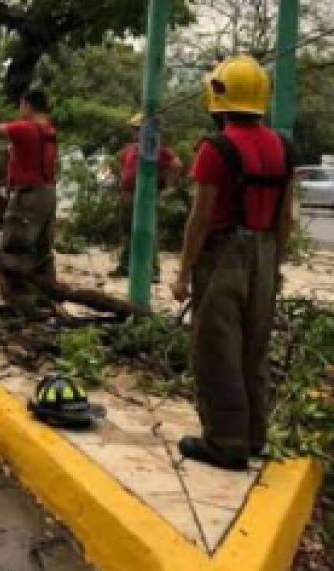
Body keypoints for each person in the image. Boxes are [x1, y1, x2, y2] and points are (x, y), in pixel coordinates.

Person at [171, 56, 296, 471]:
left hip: (223, 255)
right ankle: (255, 435)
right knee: (254, 344)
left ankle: (225, 442)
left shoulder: (216, 148)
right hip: (264, 252)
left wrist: (184, 272)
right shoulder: (283, 147)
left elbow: (200, 218)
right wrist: (275, 262)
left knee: (217, 347)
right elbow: (286, 218)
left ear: (218, 96)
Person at [0, 89, 59, 318]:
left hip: (28, 195)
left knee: (13, 248)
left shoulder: (25, 128)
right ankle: (46, 297)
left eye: (21, 106)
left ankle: (21, 303)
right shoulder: (50, 130)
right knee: (43, 250)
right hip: (48, 193)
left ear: (27, 105)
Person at [110, 113, 183, 280]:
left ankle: (153, 270)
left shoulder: (156, 148)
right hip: (127, 195)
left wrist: (167, 186)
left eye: (137, 129)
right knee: (129, 231)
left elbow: (176, 165)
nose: (134, 132)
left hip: (144, 197)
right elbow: (120, 165)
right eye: (133, 129)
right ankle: (125, 266)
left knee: (146, 231)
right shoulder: (131, 148)